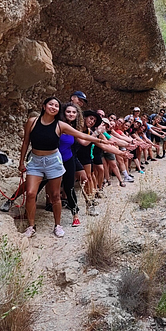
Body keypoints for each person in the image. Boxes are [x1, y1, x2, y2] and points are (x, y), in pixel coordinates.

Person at [18, 97, 100, 239]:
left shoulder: (60, 125)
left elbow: (80, 135)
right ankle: (31, 226)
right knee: (31, 193)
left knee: (55, 195)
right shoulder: (32, 122)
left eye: (56, 106)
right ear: (44, 106)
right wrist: (21, 162)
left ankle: (57, 225)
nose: (53, 107)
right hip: (35, 161)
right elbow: (25, 142)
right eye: (51, 104)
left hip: (53, 161)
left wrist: (101, 141)